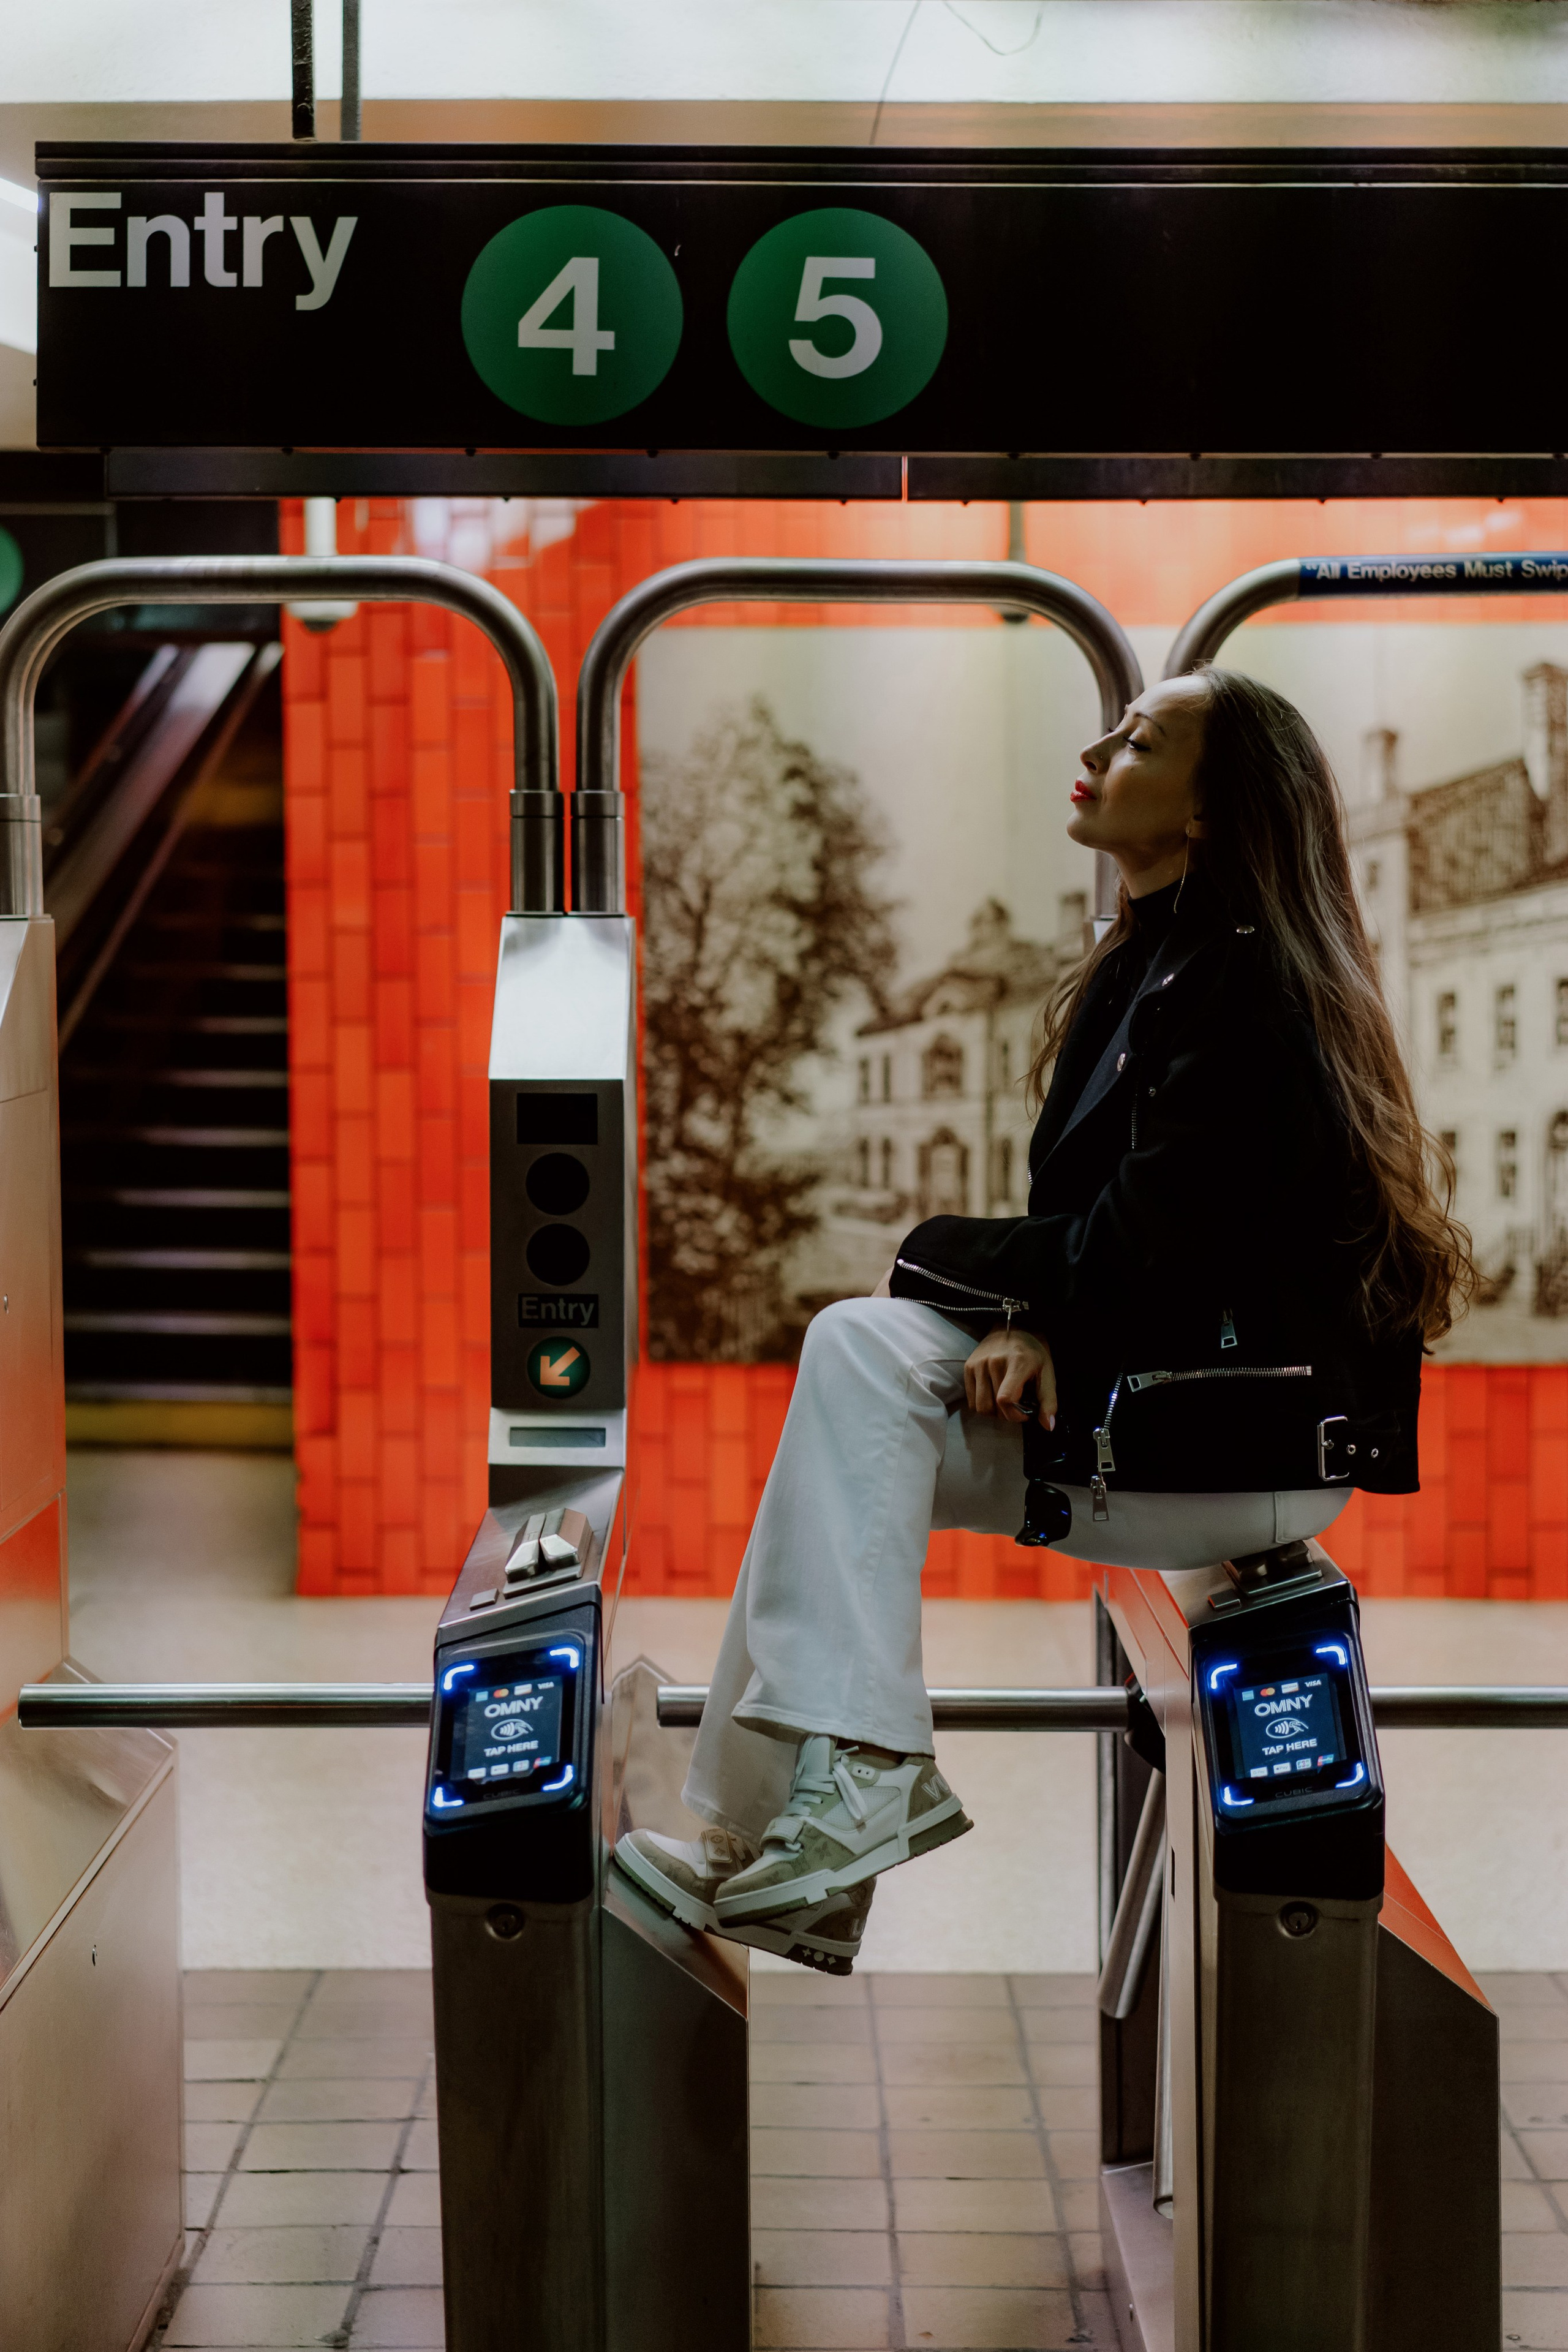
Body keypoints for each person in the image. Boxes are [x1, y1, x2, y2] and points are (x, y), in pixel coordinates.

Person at [616, 663, 1472, 1973]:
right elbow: (1145, 1241)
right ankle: (776, 1828)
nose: (1097, 750)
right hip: (1171, 1407)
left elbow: (1139, 1246)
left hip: (1236, 1441)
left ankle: (854, 1783)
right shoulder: (1160, 963)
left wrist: (953, 1267)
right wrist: (1039, 1317)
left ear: (1208, 810)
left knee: (860, 1353)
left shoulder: (1244, 986)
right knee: (847, 1410)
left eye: (1142, 742)